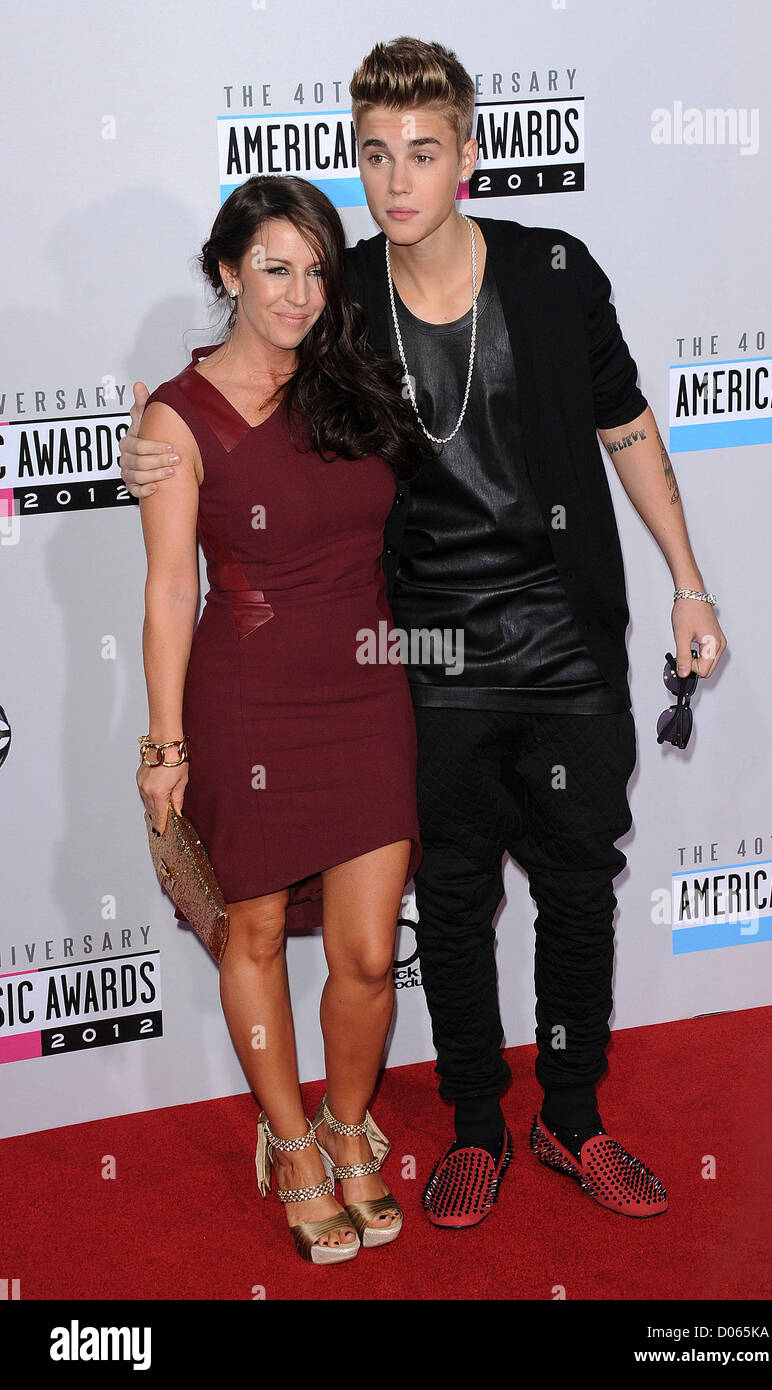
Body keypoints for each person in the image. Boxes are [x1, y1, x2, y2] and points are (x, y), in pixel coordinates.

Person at [123, 38, 727, 1230]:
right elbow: (251, 364)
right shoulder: (340, 292)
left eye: (423, 153)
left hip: (564, 637)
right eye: (373, 155)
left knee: (578, 889)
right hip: (422, 652)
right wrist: (161, 425)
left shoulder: (555, 273)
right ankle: (471, 1126)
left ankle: (571, 1114)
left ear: (467, 157)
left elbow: (629, 425)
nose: (397, 180)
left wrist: (690, 582)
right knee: (448, 901)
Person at [135, 173, 434, 1263]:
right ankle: (293, 1139)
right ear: (228, 272)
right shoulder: (175, 416)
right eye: (274, 267)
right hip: (248, 699)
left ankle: (352, 1126)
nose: (299, 292)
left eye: (315, 269)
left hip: (368, 683)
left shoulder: (353, 383)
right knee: (254, 931)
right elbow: (172, 590)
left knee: (363, 950)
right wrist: (163, 745)